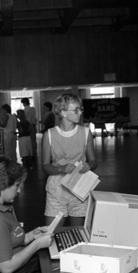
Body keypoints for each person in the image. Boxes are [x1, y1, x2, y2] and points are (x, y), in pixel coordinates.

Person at [42, 93, 97, 227]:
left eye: (80, 109)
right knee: (51, 234)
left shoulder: (86, 132)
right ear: (63, 112)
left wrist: (89, 166)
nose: (80, 112)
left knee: (78, 234)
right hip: (56, 189)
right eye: (76, 109)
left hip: (79, 187)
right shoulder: (49, 135)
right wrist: (61, 168)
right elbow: (45, 166)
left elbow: (94, 161)